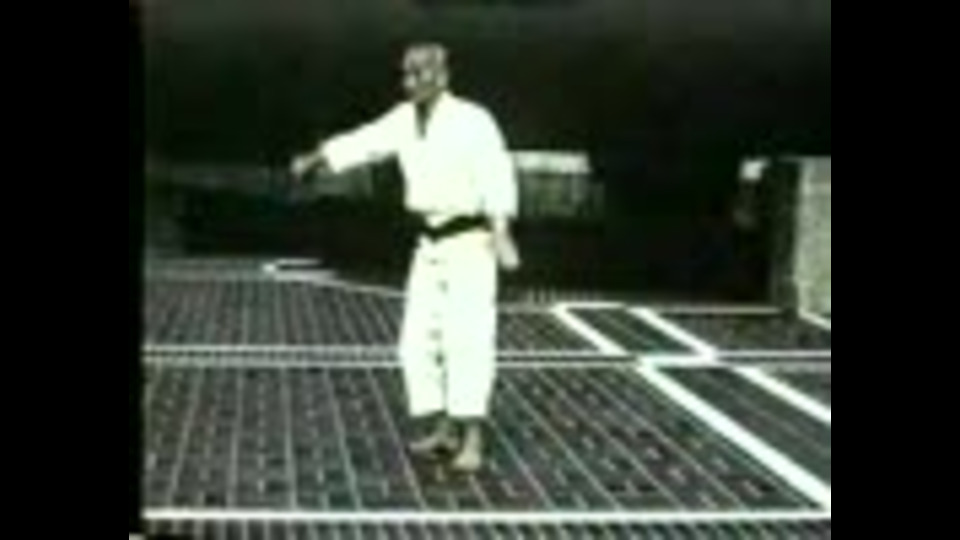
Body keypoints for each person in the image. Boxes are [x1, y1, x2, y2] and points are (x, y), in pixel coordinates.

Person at [291, 42, 520, 472]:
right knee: (417, 341)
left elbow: (496, 174)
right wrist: (316, 158)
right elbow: (364, 141)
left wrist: (501, 231)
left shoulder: (474, 120)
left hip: (471, 243)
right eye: (406, 74)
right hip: (428, 245)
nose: (411, 82)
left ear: (443, 76)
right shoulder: (403, 119)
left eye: (420, 73)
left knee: (467, 339)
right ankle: (444, 430)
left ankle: (473, 438)